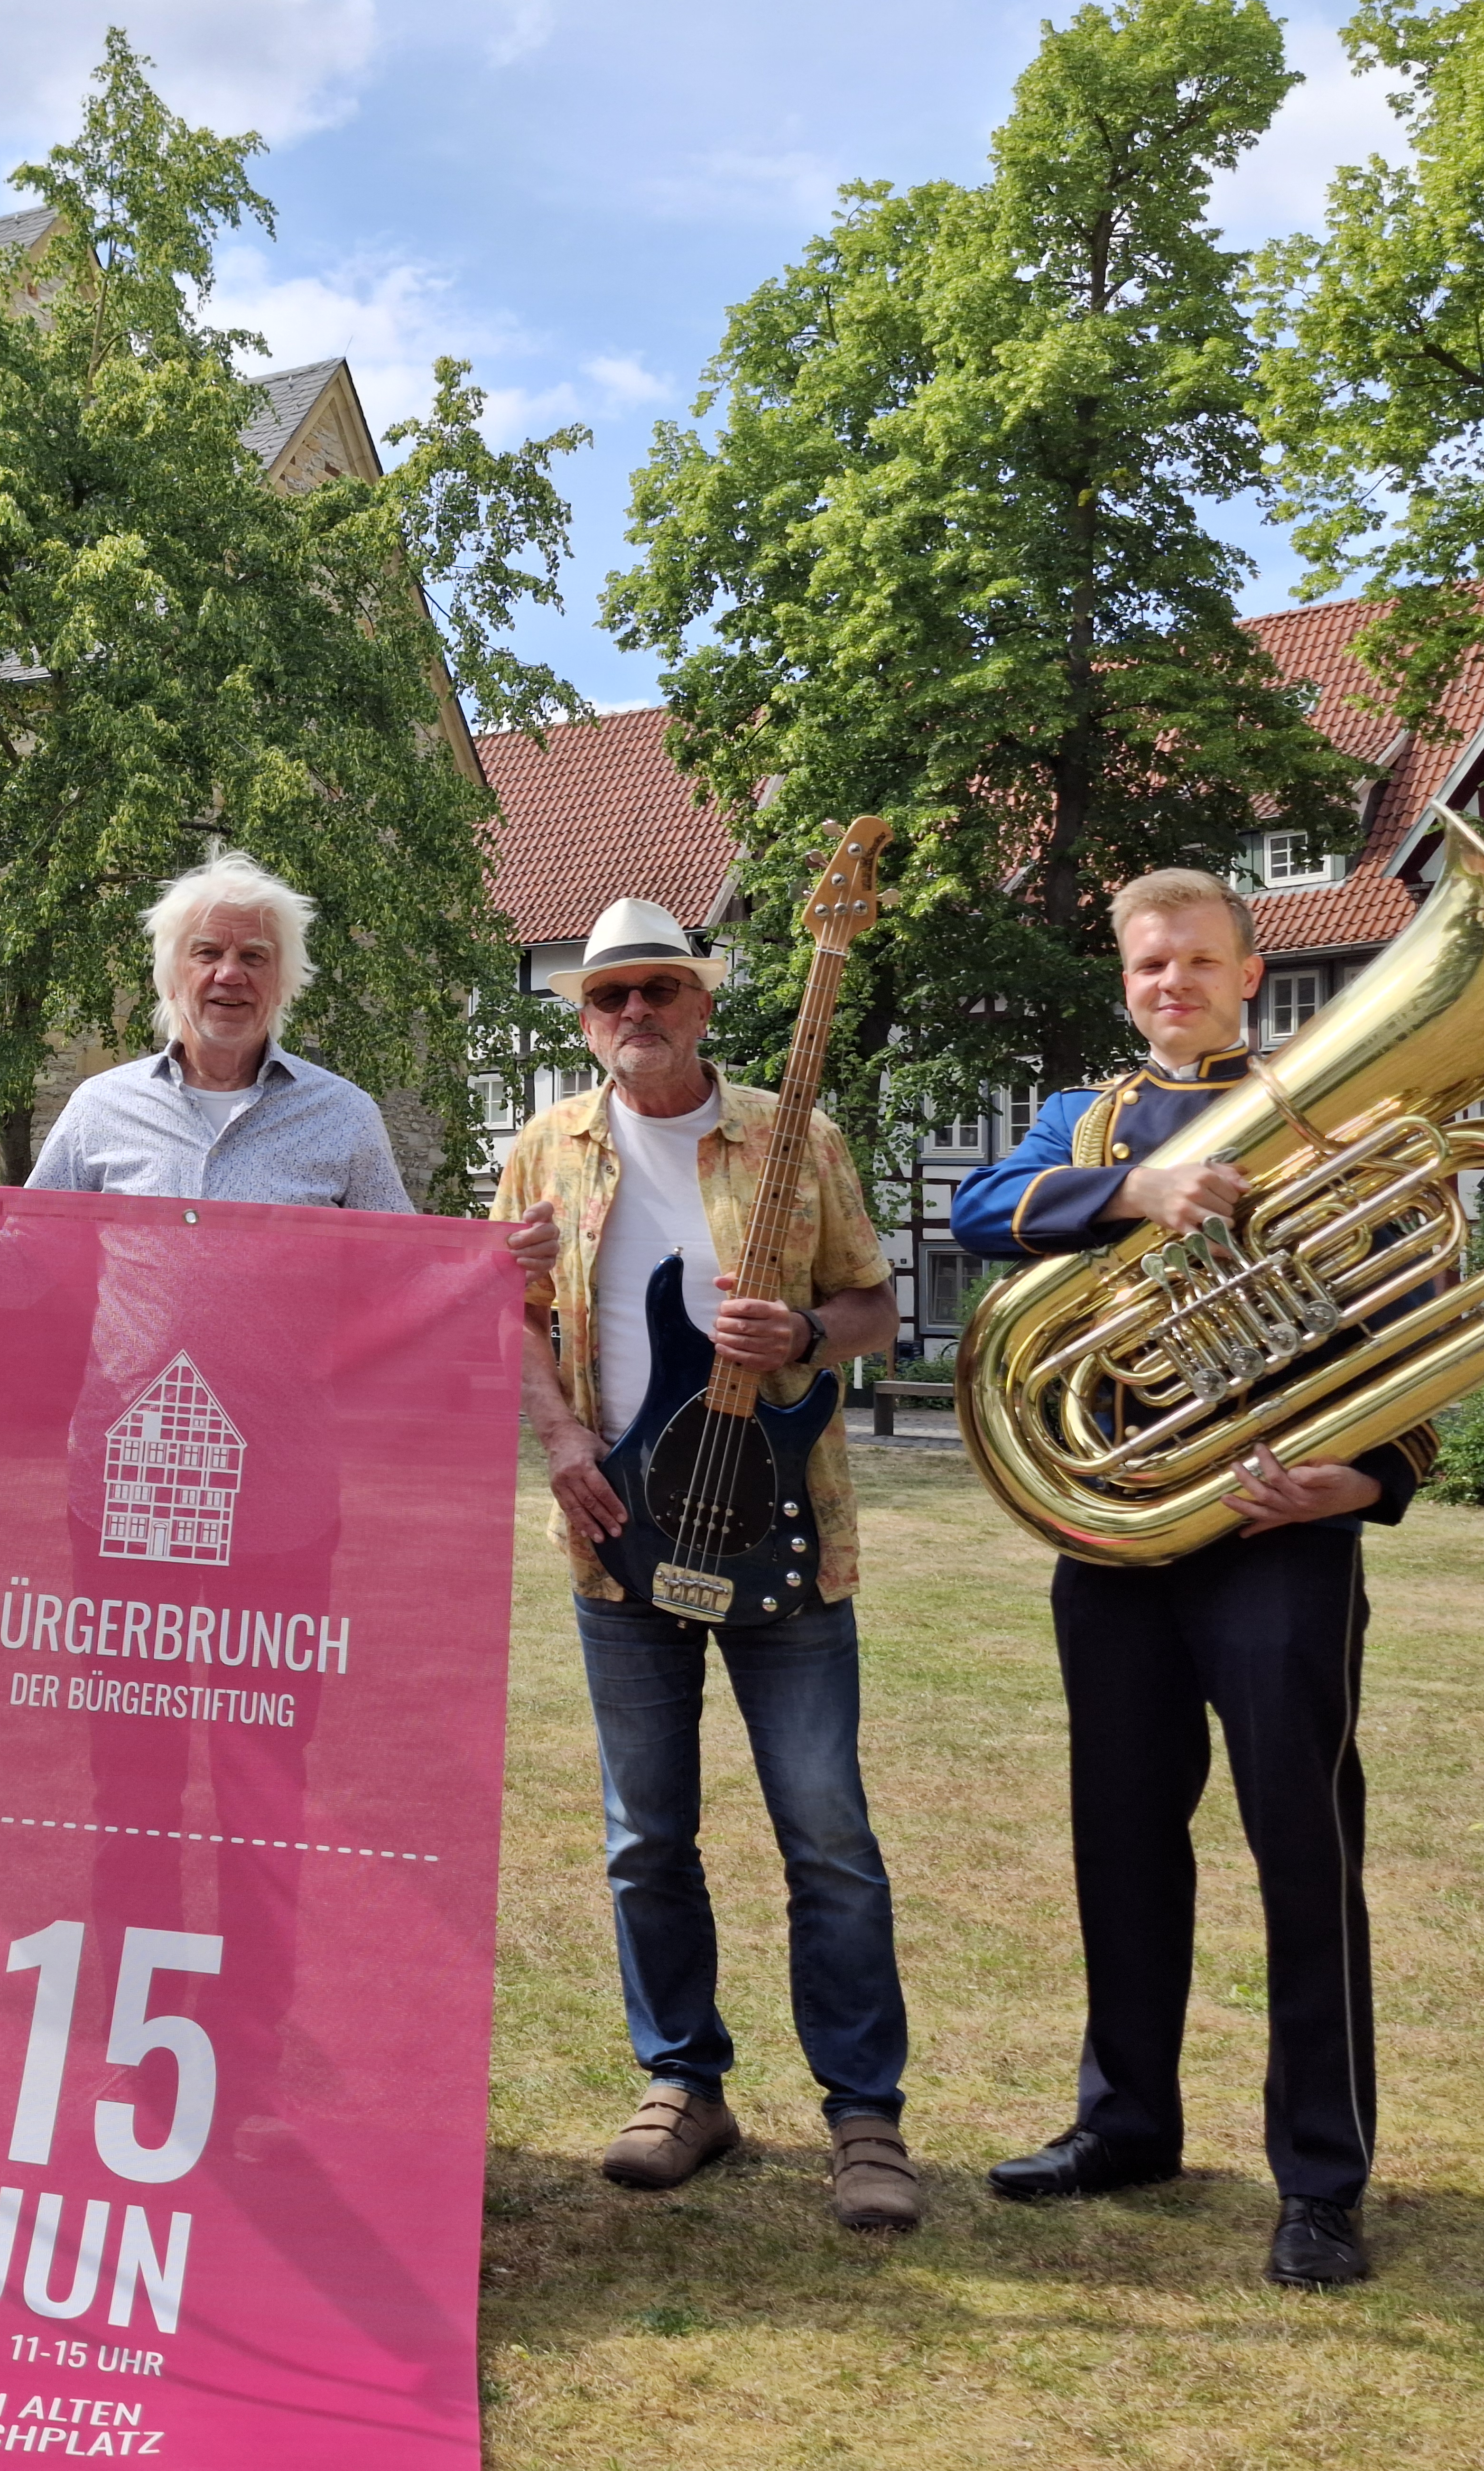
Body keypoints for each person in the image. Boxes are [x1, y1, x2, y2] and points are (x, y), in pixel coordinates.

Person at [947, 866, 1430, 2292]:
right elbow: (978, 1209)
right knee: (1118, 1837)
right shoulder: (1086, 1121)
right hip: (1119, 1529)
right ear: (1125, 981)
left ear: (1246, 972)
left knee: (1302, 1848)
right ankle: (1125, 2124)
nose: (1173, 985)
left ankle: (1320, 2178)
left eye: (1198, 962)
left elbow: (1418, 1318)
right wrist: (1134, 1192)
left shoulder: (1331, 1111)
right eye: (1149, 966)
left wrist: (1369, 1477)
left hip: (1277, 1538)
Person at [486, 896, 919, 2229]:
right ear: (583, 1019)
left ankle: (864, 2115)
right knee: (644, 1838)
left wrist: (802, 1332)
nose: (634, 1013)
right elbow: (505, 1312)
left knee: (826, 1835)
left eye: (658, 990)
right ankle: (684, 2083)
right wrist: (559, 1435)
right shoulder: (543, 1150)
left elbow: (875, 1306)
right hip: (619, 1531)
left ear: (701, 1005)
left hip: (779, 1526)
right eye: (607, 995)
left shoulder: (799, 1137)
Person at [0, 851, 425, 1213]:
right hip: (129, 1383)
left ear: (283, 984)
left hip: (287, 1382)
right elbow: (26, 1262)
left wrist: (486, 1270)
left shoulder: (345, 1117)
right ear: (171, 977)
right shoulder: (100, 1108)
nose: (230, 974)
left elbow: (403, 1276)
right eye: (207, 953)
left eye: (254, 956)